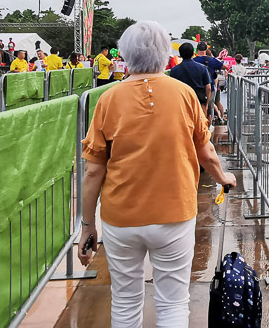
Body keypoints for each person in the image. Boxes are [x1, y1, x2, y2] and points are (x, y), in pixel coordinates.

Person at [78, 21, 236, 328]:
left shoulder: (108, 99)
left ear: (124, 55)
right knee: (174, 302)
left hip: (120, 217)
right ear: (166, 55)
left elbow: (94, 169)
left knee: (124, 300)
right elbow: (206, 152)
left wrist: (87, 225)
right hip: (174, 212)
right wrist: (222, 178)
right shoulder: (184, 95)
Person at [170, 42, 211, 106]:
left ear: (180, 54)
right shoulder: (203, 68)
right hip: (199, 101)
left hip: (182, 102)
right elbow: (208, 88)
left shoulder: (174, 70)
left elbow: (172, 89)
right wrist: (207, 104)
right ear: (193, 53)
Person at [193, 42, 225, 122]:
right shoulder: (211, 60)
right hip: (210, 87)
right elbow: (225, 67)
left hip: (196, 88)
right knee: (209, 109)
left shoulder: (193, 60)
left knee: (196, 108)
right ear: (206, 49)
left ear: (197, 50)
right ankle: (208, 128)